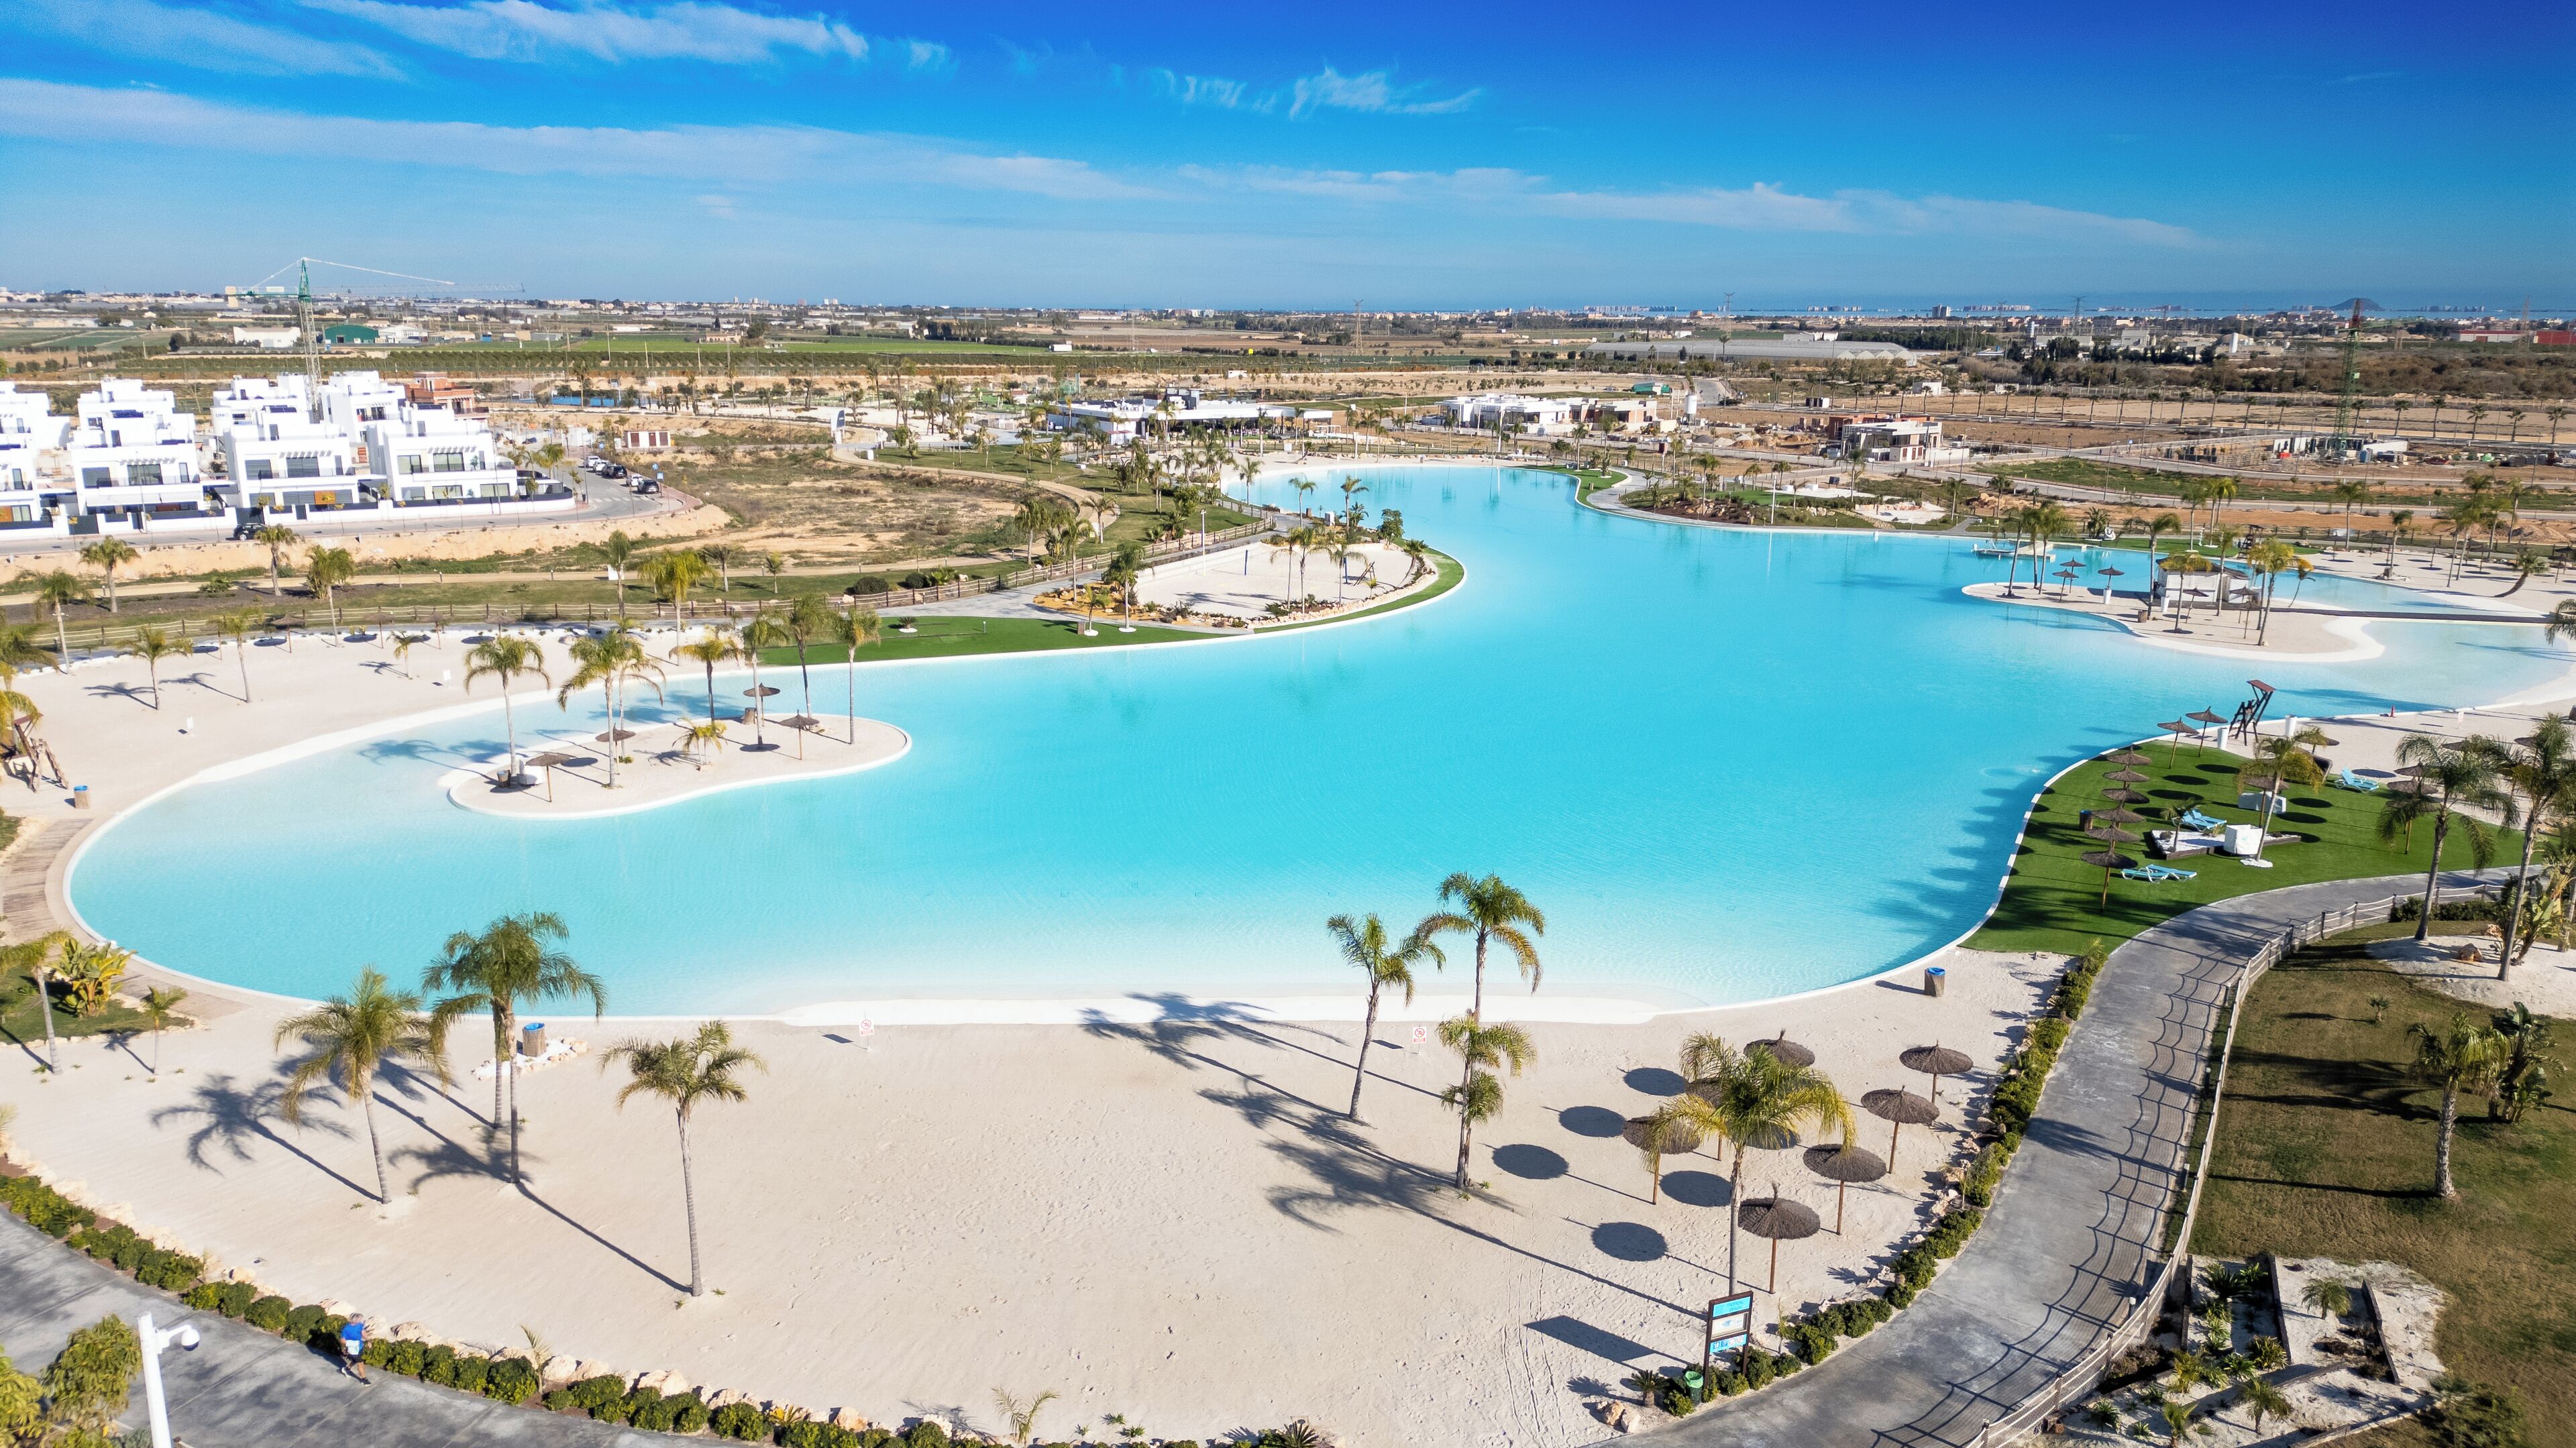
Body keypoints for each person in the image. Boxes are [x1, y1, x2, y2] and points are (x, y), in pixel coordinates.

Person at [338, 1316, 371, 1384]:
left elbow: (363, 1333)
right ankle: (364, 1380)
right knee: (361, 1364)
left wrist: (368, 1341)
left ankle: (346, 1369)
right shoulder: (346, 1329)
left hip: (360, 1347)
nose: (361, 1320)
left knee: (355, 1361)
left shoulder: (360, 1325)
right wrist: (352, 1344)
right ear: (355, 1319)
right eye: (359, 1318)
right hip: (353, 1349)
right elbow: (342, 1340)